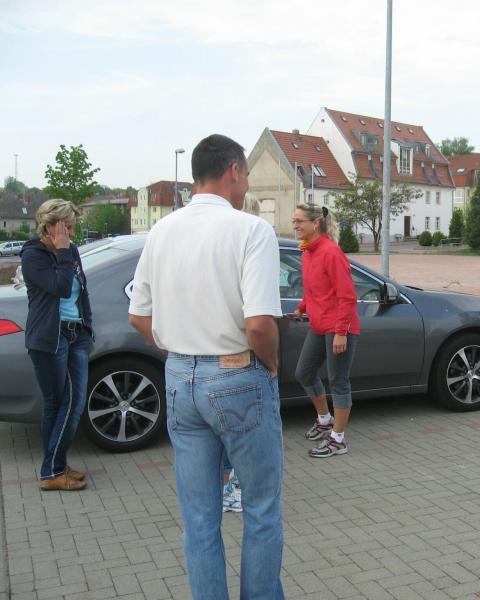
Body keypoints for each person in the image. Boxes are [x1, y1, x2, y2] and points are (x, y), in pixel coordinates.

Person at [128, 134, 285, 599]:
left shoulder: (161, 231)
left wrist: (180, 351)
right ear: (234, 171)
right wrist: (272, 364)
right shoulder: (251, 230)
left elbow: (138, 316)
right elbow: (259, 324)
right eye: (247, 175)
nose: (247, 184)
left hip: (180, 379)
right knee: (261, 508)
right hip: (238, 375)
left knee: (199, 517)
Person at [21, 199, 92, 491]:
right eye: (68, 227)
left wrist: (88, 329)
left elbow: (81, 291)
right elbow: (61, 288)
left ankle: (56, 464)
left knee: (63, 403)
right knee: (66, 403)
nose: (72, 234)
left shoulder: (71, 251)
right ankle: (51, 472)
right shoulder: (32, 255)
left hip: (76, 335)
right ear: (51, 227)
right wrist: (62, 252)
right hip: (50, 338)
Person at [293, 204, 360, 457]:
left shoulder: (331, 252)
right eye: (294, 221)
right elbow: (316, 288)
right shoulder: (307, 252)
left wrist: (341, 332)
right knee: (304, 372)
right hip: (319, 325)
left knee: (338, 381)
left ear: (316, 223)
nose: (295, 226)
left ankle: (338, 440)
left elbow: (347, 295)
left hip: (340, 326)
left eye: (300, 221)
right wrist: (303, 305)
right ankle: (324, 420)